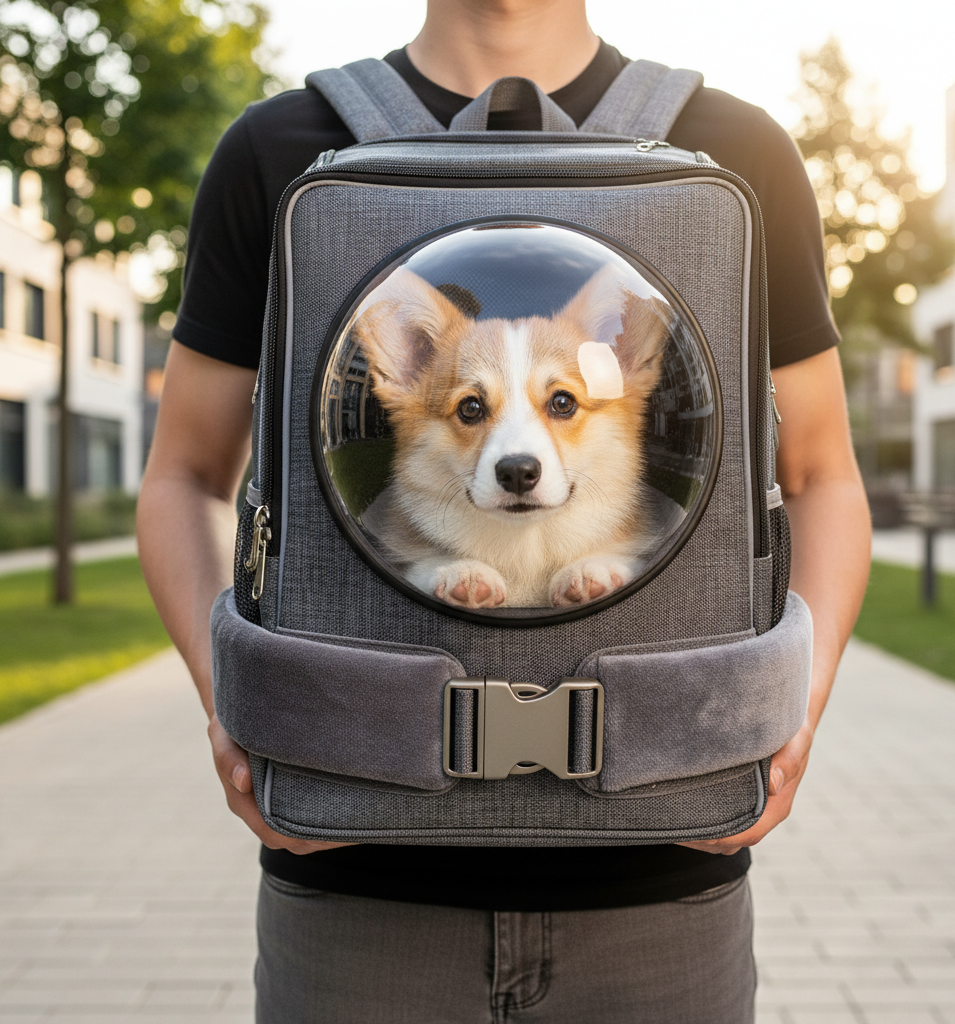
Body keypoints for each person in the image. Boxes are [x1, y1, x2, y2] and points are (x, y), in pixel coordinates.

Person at [137, 1, 872, 1020]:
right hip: (355, 887)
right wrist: (233, 700)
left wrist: (796, 705)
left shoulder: (737, 152)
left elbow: (824, 472)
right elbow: (182, 473)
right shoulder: (276, 150)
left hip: (663, 889)